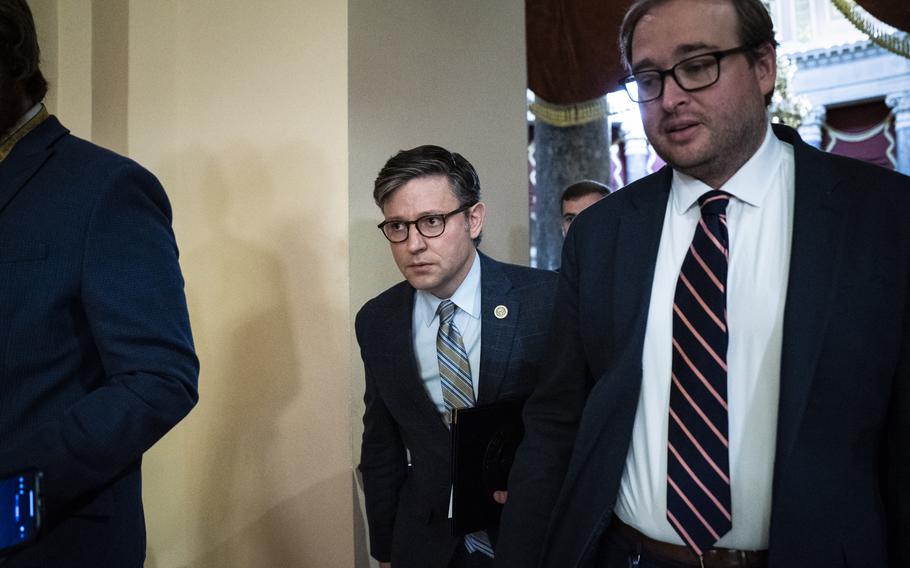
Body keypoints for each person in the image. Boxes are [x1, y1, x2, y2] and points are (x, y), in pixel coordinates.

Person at [495, 0, 910, 566]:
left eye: (698, 65)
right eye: (648, 78)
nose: (670, 97)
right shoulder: (601, 235)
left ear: (764, 67)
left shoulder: (883, 219)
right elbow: (556, 422)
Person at [0, 1, 199, 566]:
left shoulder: (107, 188)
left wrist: (12, 489)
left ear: (11, 57)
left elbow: (161, 379)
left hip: (46, 540)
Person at [356, 145, 558, 568]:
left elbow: (579, 422)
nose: (413, 244)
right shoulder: (378, 320)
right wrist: (386, 551)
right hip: (426, 543)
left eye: (431, 222)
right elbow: (381, 446)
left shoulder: (545, 300)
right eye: (397, 226)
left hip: (534, 536)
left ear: (474, 218)